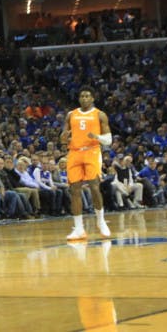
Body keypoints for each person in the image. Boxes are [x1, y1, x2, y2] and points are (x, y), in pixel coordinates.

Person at [62, 87, 112, 241]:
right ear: (79, 98)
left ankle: (101, 221)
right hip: (75, 152)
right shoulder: (71, 115)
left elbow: (108, 141)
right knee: (74, 190)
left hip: (92, 151)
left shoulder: (99, 114)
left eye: (87, 96)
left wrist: (96, 136)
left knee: (94, 187)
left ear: (93, 99)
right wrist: (63, 137)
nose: (84, 98)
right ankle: (78, 229)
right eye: (82, 96)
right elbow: (63, 138)